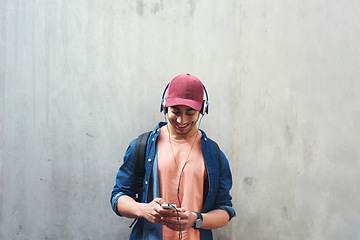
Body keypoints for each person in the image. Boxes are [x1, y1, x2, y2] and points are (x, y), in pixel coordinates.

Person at [110, 74, 235, 240]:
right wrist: (143, 210)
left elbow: (225, 210)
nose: (181, 120)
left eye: (190, 113)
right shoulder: (142, 146)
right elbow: (118, 197)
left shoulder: (214, 154)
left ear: (202, 110)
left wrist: (196, 219)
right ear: (164, 107)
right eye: (175, 111)